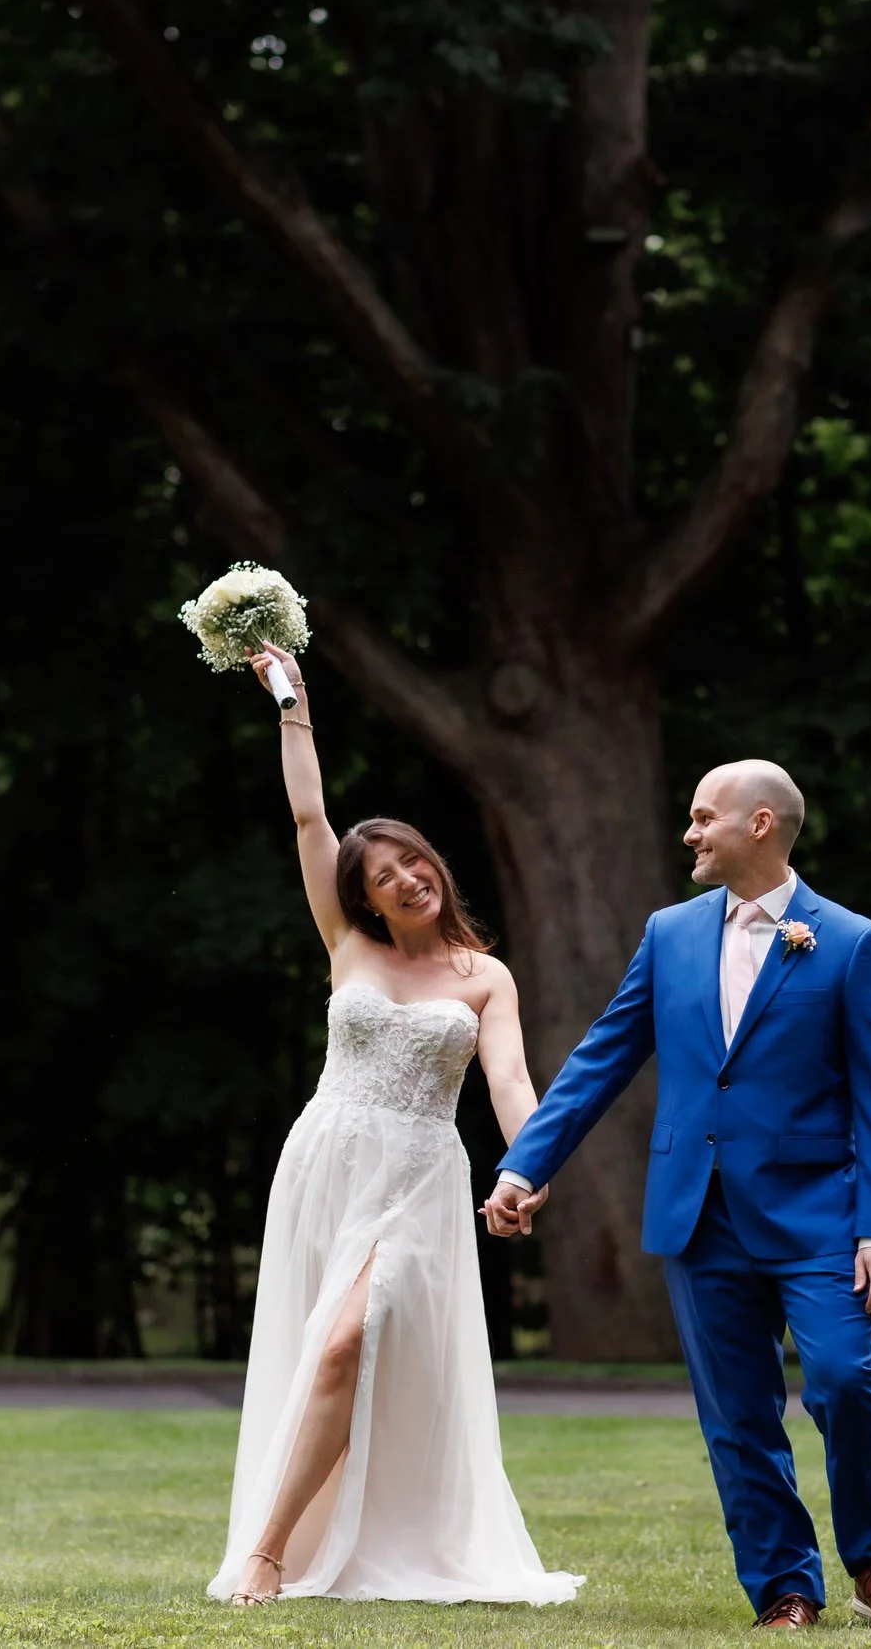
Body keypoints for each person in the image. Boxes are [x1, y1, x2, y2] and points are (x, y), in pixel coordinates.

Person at [483, 760, 871, 1630]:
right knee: (737, 1416)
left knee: (844, 1379)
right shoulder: (670, 933)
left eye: (702, 818)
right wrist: (523, 1166)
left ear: (759, 824)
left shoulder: (848, 942)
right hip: (698, 1213)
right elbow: (600, 1059)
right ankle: (786, 1588)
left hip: (820, 1218)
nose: (688, 833)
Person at [208, 641, 580, 1608]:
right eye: (382, 873)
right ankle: (289, 1541)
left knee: (346, 1341)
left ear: (433, 864)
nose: (406, 877)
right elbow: (306, 814)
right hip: (328, 1158)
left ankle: (268, 1550)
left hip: (419, 1175)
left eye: (413, 858)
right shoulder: (349, 948)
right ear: (361, 893)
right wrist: (291, 698)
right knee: (320, 1344)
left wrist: (526, 1170)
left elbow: (509, 1081)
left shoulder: (483, 978)